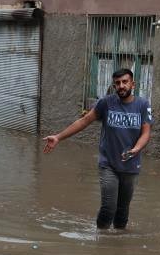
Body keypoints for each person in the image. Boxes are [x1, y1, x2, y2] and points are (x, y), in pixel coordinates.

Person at [43, 68, 152, 229]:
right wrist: (58, 137)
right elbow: (84, 121)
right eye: (117, 83)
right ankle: (101, 238)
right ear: (114, 86)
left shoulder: (143, 105)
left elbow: (146, 132)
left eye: (125, 82)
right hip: (108, 164)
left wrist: (136, 149)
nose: (121, 86)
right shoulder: (106, 103)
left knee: (122, 210)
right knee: (108, 207)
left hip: (131, 164)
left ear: (133, 84)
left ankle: (118, 245)